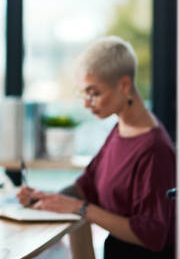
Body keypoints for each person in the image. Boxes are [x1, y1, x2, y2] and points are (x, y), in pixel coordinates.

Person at [18, 36, 175, 258]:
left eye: (94, 93)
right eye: (83, 93)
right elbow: (88, 184)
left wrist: (79, 208)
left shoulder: (154, 149)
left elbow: (150, 234)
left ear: (125, 85)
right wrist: (47, 198)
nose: (85, 102)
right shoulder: (120, 129)